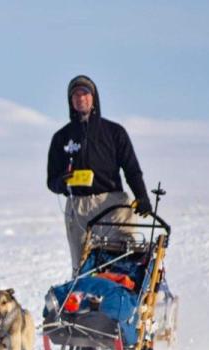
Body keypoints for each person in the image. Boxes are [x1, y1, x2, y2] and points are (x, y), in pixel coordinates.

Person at [47, 75, 152, 274]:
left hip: (112, 204)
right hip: (78, 208)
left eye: (85, 93)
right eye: (75, 95)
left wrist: (142, 196)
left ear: (94, 98)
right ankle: (85, 303)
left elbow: (131, 169)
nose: (81, 98)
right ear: (70, 101)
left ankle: (129, 300)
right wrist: (62, 183)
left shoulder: (114, 132)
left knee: (123, 256)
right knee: (83, 266)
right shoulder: (61, 137)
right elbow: (51, 180)